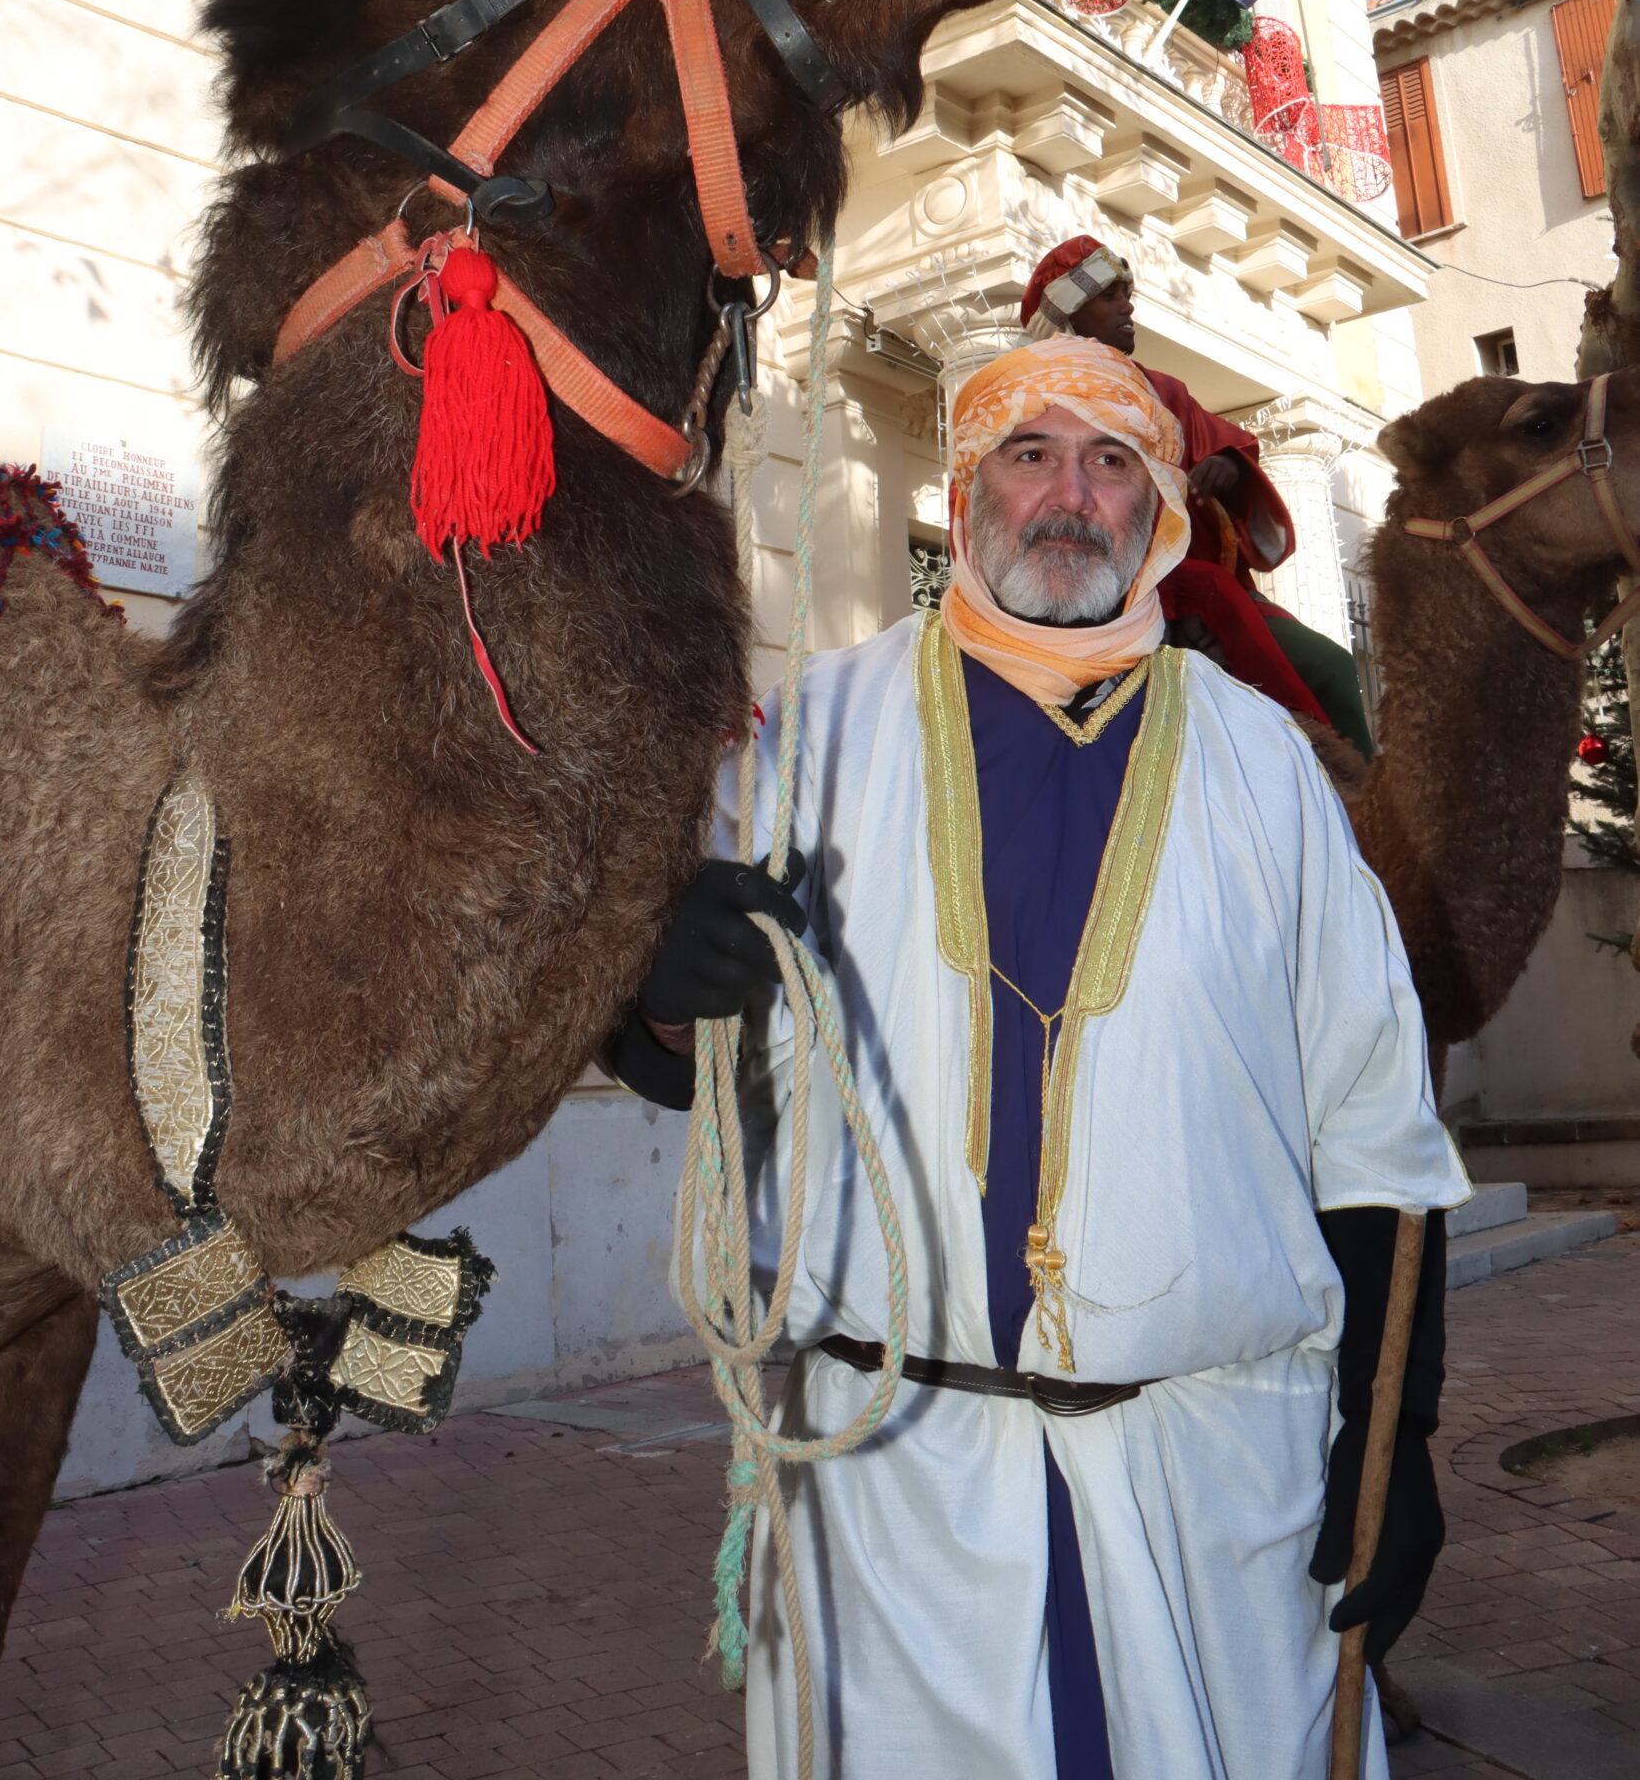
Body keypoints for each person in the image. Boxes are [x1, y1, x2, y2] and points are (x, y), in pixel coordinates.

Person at [612, 335, 1466, 1780]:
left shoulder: (1267, 766)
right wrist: (647, 990)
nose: (1068, 495)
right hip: (893, 1499)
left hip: (1212, 1484)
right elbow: (697, 1065)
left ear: (1159, 516)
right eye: (1029, 454)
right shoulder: (810, 734)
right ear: (964, 493)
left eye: (1110, 462)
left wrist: (1402, 1440)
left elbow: (1373, 1127)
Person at [1022, 234, 1375, 756]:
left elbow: (1230, 447)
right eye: (1108, 296)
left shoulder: (1164, 392)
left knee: (1328, 665)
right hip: (1085, 589)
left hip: (1192, 588)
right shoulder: (1027, 400)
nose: (1128, 307)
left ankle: (1362, 795)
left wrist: (1227, 467)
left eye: (1126, 295)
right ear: (1069, 311)